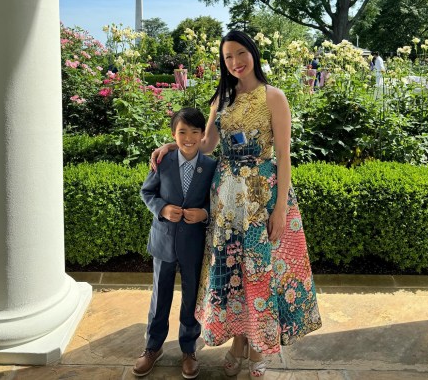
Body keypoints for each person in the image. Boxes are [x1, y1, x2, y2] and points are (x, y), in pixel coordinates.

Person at [151, 30, 322, 378]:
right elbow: (208, 145)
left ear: (253, 53)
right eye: (228, 57)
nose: (235, 63)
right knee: (233, 272)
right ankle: (238, 343)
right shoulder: (222, 100)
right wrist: (174, 146)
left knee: (258, 270)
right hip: (227, 201)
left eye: (240, 53)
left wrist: (279, 210)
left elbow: (285, 158)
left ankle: (258, 348)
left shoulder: (274, 97)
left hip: (263, 197)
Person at [133, 107, 217, 379]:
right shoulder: (163, 160)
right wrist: (161, 209)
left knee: (191, 296)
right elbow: (147, 191)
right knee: (160, 296)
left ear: (203, 134)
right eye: (182, 132)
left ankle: (189, 347)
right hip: (164, 241)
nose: (189, 138)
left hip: (194, 243)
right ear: (173, 134)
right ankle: (152, 346)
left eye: (195, 132)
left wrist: (204, 213)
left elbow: (217, 201)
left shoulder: (211, 166)